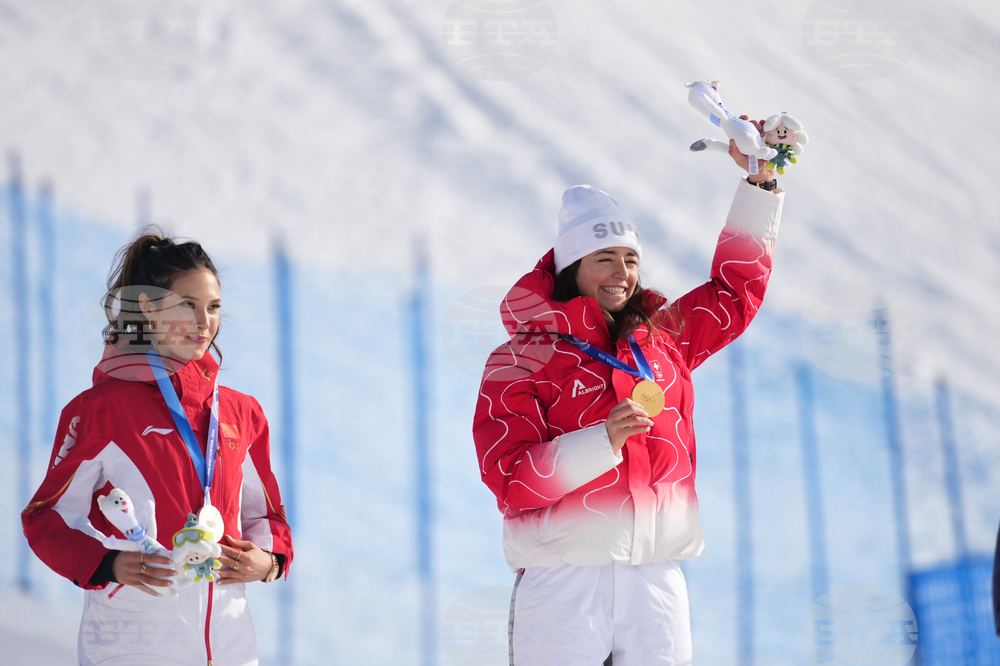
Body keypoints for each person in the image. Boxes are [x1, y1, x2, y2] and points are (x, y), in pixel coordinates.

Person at [473, 132, 785, 666]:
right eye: (605, 259)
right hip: (562, 577)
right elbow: (509, 477)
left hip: (657, 576)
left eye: (630, 259)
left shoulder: (666, 340)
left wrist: (760, 183)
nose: (622, 273)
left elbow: (733, 294)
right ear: (573, 269)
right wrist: (601, 442)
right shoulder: (520, 357)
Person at [22, 230, 293, 666]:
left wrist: (270, 562)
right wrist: (107, 563)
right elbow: (46, 519)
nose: (204, 323)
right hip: (130, 646)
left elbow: (265, 515)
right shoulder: (102, 410)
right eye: (188, 305)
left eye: (214, 307)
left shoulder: (242, 414)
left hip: (230, 649)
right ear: (147, 306)